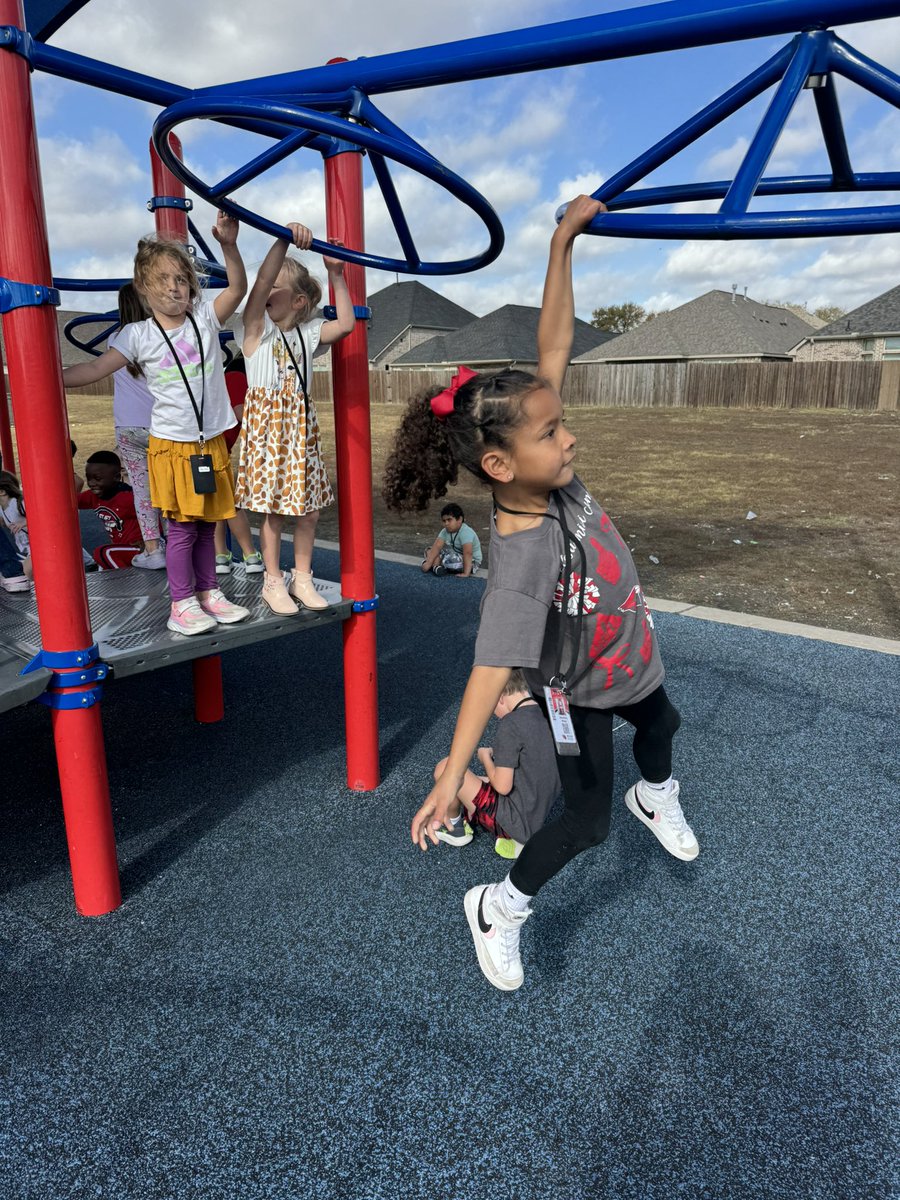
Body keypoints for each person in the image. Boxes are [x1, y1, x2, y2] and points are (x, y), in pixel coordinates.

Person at [384, 195, 699, 992]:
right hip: (583, 693)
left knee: (664, 723)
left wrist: (562, 243)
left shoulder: (544, 470)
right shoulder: (521, 558)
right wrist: (455, 775)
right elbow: (489, 671)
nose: (571, 439)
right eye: (553, 434)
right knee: (586, 824)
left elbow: (552, 343)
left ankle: (654, 797)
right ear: (499, 466)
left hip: (632, 661)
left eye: (561, 426)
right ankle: (500, 905)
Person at [61, 211, 250, 636]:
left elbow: (237, 287)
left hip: (209, 444)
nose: (173, 288)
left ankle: (209, 592)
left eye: (181, 279)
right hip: (174, 445)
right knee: (183, 529)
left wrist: (229, 246)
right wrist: (50, 377)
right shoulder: (137, 336)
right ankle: (181, 603)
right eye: (163, 280)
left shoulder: (204, 319)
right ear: (145, 289)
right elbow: (95, 368)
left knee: (207, 524)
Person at [235, 222, 355, 615]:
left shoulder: (308, 333)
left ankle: (301, 577)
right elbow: (261, 280)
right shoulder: (256, 331)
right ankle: (273, 580)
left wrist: (336, 273)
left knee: (311, 509)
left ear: (300, 301)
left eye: (277, 290)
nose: (266, 291)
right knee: (272, 511)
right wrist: (281, 239)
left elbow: (347, 324)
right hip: (268, 431)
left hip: (300, 429)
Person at [433, 669, 560, 859]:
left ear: (499, 697)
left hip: (517, 822)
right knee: (478, 780)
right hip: (538, 813)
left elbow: (502, 786)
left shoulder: (511, 724)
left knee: (445, 769)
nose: (493, 714)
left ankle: (456, 829)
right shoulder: (550, 713)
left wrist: (485, 757)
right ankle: (518, 839)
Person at [109, 283, 166, 569]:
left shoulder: (115, 339)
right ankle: (178, 542)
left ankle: (154, 549)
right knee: (169, 484)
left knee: (142, 491)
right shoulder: (157, 335)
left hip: (128, 425)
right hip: (161, 424)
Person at [213, 354, 264, 575]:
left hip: (217, 445)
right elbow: (240, 411)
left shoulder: (233, 376)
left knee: (215, 504)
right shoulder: (235, 376)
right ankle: (250, 555)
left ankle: (221, 556)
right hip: (215, 446)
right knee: (228, 504)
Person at [76, 450, 143, 569]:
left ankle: (127, 582)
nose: (92, 483)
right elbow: (70, 501)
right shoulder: (92, 496)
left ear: (116, 477)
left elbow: (151, 514)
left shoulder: (127, 497)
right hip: (120, 548)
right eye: (89, 478)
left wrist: (151, 541)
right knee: (105, 561)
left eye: (97, 479)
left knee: (103, 553)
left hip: (139, 548)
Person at [421, 502, 483, 577]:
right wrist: (427, 564)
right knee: (430, 550)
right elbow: (437, 546)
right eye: (444, 521)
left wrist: (466, 573)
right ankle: (435, 567)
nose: (446, 523)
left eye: (449, 520)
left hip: (471, 561)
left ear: (459, 519)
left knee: (450, 560)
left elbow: (468, 553)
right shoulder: (445, 531)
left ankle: (435, 563)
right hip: (454, 555)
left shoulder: (466, 531)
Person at [0, 469, 31, 578]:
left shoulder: (19, 503)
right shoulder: (2, 508)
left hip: (41, 548)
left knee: (24, 575)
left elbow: (44, 517)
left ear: (2, 492)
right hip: (28, 551)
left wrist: (24, 523)